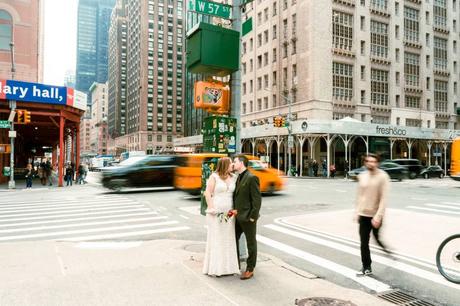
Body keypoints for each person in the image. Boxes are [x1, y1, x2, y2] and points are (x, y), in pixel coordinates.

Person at [202, 157, 240, 277]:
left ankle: (229, 267)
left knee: (228, 239)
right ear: (224, 165)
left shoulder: (234, 177)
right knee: (217, 238)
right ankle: (217, 268)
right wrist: (211, 207)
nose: (232, 165)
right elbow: (207, 193)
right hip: (217, 211)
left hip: (229, 212)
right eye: (230, 164)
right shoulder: (214, 176)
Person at [355, 153, 392, 276]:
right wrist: (357, 212)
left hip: (376, 215)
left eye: (373, 161)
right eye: (368, 161)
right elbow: (360, 196)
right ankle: (367, 266)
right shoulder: (362, 176)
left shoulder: (383, 176)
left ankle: (387, 251)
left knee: (377, 238)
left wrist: (378, 216)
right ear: (365, 162)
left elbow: (384, 198)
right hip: (363, 215)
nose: (371, 163)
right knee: (364, 242)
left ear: (377, 163)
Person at [233, 154, 262, 280]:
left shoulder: (252, 177)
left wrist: (253, 217)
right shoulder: (238, 177)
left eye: (235, 161)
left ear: (241, 163)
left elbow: (257, 200)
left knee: (251, 243)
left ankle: (250, 269)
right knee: (233, 240)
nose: (233, 164)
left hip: (248, 217)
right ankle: (236, 264)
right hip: (238, 217)